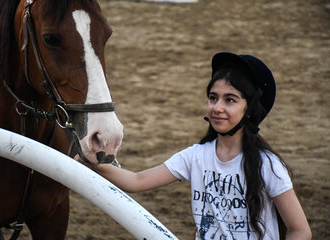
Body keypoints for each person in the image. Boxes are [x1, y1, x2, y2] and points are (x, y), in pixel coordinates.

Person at [80, 52, 312, 240]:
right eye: (213, 98)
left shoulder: (267, 165)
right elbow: (136, 181)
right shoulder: (195, 157)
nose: (217, 107)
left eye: (230, 99)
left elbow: (300, 230)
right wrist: (90, 161)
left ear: (250, 110)